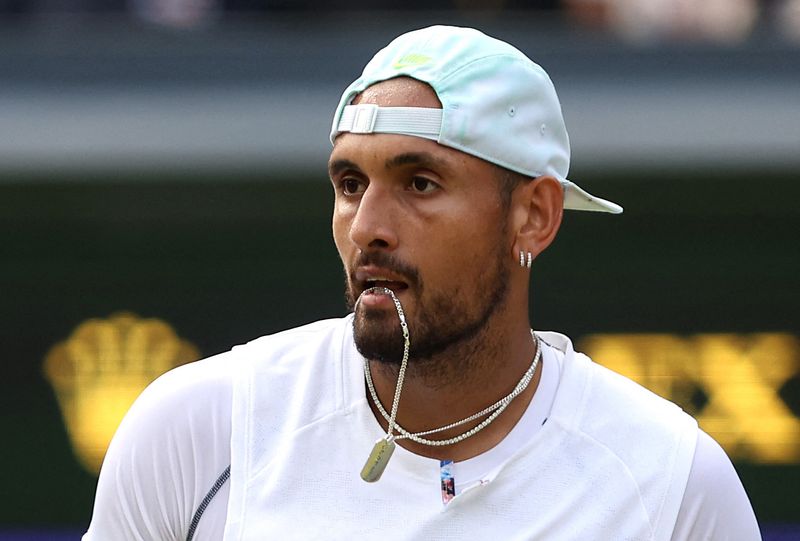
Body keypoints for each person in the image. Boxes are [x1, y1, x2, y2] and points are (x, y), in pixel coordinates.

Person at [83, 25, 761, 540]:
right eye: (350, 184)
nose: (367, 227)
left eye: (420, 183)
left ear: (534, 216)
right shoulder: (199, 430)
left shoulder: (670, 482)